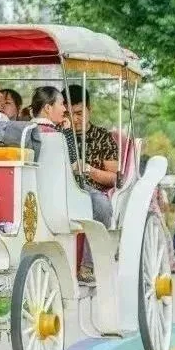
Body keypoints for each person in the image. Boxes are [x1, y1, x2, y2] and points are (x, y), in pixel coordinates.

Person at [61, 85, 117, 285]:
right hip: (60, 185)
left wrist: (88, 170)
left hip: (89, 188)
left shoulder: (103, 137)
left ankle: (89, 265)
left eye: (79, 113)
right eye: (68, 114)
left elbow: (113, 178)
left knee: (101, 205)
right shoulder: (58, 134)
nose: (75, 119)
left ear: (89, 110)